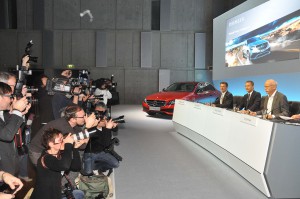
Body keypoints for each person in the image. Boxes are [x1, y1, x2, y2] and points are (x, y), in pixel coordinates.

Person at [29, 105, 98, 166]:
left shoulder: (71, 123)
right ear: (73, 119)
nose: (85, 118)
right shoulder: (64, 127)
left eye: (85, 115)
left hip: (49, 149)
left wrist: (88, 128)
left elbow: (82, 140)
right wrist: (88, 127)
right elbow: (82, 146)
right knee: (48, 175)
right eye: (83, 116)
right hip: (38, 152)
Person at [30, 128, 85, 199]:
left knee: (80, 194)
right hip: (45, 195)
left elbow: (76, 167)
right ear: (51, 144)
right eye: (61, 140)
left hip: (56, 193)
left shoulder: (59, 155)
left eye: (63, 139)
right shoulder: (46, 158)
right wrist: (68, 144)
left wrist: (75, 148)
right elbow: (64, 166)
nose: (64, 142)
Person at [0, 82, 30, 175]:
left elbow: (14, 132)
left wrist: (20, 114)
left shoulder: (4, 113)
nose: (11, 100)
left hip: (10, 166)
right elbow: (7, 135)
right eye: (9, 96)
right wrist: (16, 111)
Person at [82, 103, 119, 175]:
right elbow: (103, 141)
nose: (99, 114)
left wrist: (113, 126)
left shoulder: (104, 118)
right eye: (98, 111)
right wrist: (106, 128)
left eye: (101, 112)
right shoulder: (90, 120)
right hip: (90, 153)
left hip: (101, 151)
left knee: (115, 164)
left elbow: (115, 129)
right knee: (88, 173)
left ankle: (97, 167)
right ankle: (91, 166)